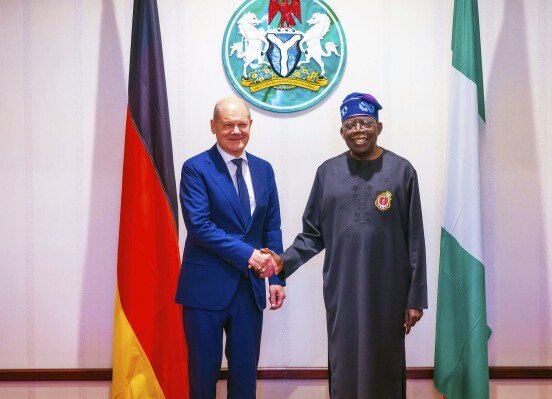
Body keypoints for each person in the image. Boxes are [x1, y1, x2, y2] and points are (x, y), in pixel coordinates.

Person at [262, 92, 427, 399]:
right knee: (345, 362)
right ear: (342, 132)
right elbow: (312, 234)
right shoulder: (327, 173)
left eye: (365, 123)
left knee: (386, 364)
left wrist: (415, 297)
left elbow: (415, 238)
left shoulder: (402, 171)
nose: (358, 130)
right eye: (351, 125)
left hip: (389, 292)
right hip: (342, 290)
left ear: (379, 127)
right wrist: (284, 261)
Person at [175, 96, 285, 399]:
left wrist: (276, 277)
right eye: (228, 124)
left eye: (242, 124)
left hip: (249, 290)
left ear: (250, 125)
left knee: (245, 376)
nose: (235, 131)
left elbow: (271, 227)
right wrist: (248, 254)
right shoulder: (196, 168)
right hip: (204, 291)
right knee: (202, 376)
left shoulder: (264, 170)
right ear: (213, 126)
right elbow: (200, 226)